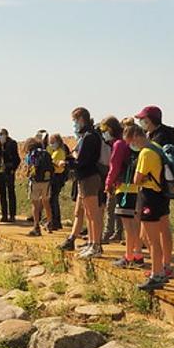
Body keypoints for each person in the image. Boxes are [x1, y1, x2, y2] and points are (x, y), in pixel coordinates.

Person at [124, 124, 171, 291]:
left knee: (151, 239)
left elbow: (137, 179)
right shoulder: (156, 146)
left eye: (130, 141)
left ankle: (156, 274)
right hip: (161, 195)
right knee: (158, 234)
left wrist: (142, 180)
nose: (131, 145)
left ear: (136, 136)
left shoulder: (145, 152)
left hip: (150, 196)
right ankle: (162, 268)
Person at [107, 118, 144, 268]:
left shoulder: (120, 144)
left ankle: (129, 256)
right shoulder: (138, 147)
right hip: (136, 187)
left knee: (127, 224)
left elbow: (114, 166)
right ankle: (138, 254)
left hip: (123, 186)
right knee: (135, 222)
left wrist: (108, 184)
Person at [69, 107, 105, 259]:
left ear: (81, 119)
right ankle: (91, 242)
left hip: (90, 176)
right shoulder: (87, 135)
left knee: (93, 214)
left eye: (75, 121)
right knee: (89, 213)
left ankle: (96, 245)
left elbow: (83, 161)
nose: (75, 124)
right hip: (84, 177)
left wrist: (69, 161)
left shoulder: (90, 137)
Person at [100, 117, 125, 242]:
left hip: (118, 182)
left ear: (110, 128)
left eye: (104, 130)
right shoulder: (122, 141)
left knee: (111, 209)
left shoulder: (117, 144)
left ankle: (107, 234)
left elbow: (114, 167)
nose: (103, 133)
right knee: (119, 210)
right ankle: (117, 233)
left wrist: (108, 183)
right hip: (123, 181)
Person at [24, 138, 53, 236]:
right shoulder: (46, 153)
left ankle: (36, 227)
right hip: (46, 181)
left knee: (35, 205)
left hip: (35, 181)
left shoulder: (30, 155)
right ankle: (49, 223)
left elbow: (28, 169)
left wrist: (28, 174)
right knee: (46, 202)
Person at [0, 129, 20, 222]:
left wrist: (12, 168)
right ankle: (4, 214)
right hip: (0, 172)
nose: (0, 136)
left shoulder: (12, 143)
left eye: (2, 134)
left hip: (9, 171)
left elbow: (17, 159)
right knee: (2, 194)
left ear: (6, 135)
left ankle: (12, 215)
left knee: (11, 193)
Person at [47, 134, 68, 231]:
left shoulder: (60, 152)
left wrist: (51, 163)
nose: (52, 144)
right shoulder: (55, 151)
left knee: (53, 199)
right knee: (52, 199)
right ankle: (55, 220)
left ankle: (56, 221)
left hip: (57, 176)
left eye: (53, 142)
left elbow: (59, 165)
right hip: (54, 176)